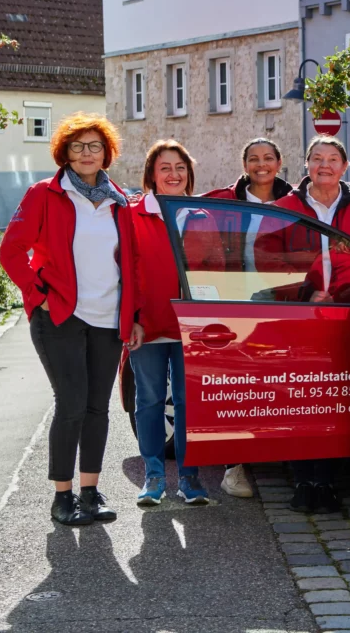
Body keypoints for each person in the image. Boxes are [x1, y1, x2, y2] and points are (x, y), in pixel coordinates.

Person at [0, 112, 143, 526]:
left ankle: (90, 492)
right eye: (78, 146)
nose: (86, 153)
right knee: (72, 404)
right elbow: (11, 251)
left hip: (107, 317)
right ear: (65, 151)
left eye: (94, 146)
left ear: (106, 153)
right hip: (60, 316)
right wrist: (38, 295)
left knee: (99, 408)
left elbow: (130, 264)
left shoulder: (120, 201)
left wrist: (132, 315)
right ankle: (62, 496)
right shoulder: (45, 193)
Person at [259, 134, 350, 514]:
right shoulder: (284, 208)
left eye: (332, 159)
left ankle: (326, 481)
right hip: (299, 315)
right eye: (316, 158)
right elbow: (267, 262)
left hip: (349, 315)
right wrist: (305, 292)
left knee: (334, 399)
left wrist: (346, 295)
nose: (324, 165)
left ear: (345, 167)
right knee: (300, 399)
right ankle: (302, 480)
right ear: (306, 164)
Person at [129, 140, 225, 507]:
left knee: (189, 403)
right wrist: (133, 319)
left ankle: (189, 477)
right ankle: (154, 476)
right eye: (165, 168)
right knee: (150, 400)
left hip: (192, 327)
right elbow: (127, 271)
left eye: (180, 167)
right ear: (152, 175)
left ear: (189, 173)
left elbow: (215, 270)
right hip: (147, 325)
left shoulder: (202, 215)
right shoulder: (134, 215)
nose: (173, 174)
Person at [204, 138, 294, 498]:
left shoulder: (295, 201)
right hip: (238, 305)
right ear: (244, 165)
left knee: (280, 386)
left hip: (286, 304)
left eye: (268, 158)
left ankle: (285, 454)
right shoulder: (223, 203)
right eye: (254, 159)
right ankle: (234, 467)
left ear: (279, 162)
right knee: (237, 388)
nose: (261, 165)